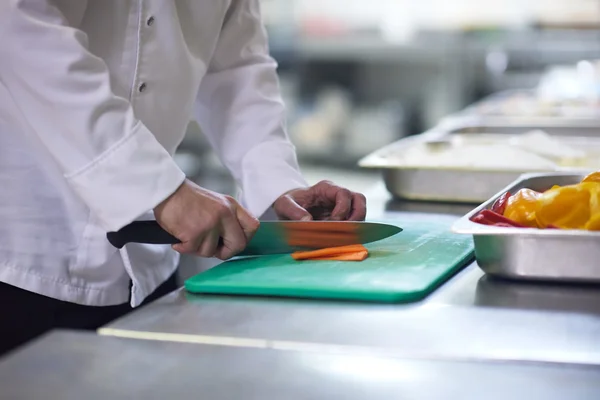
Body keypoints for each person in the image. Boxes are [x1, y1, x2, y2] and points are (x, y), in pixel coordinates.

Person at [0, 1, 367, 355]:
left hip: (150, 271)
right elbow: (21, 33)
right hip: (22, 261)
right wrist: (160, 188)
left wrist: (278, 186)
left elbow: (238, 68)